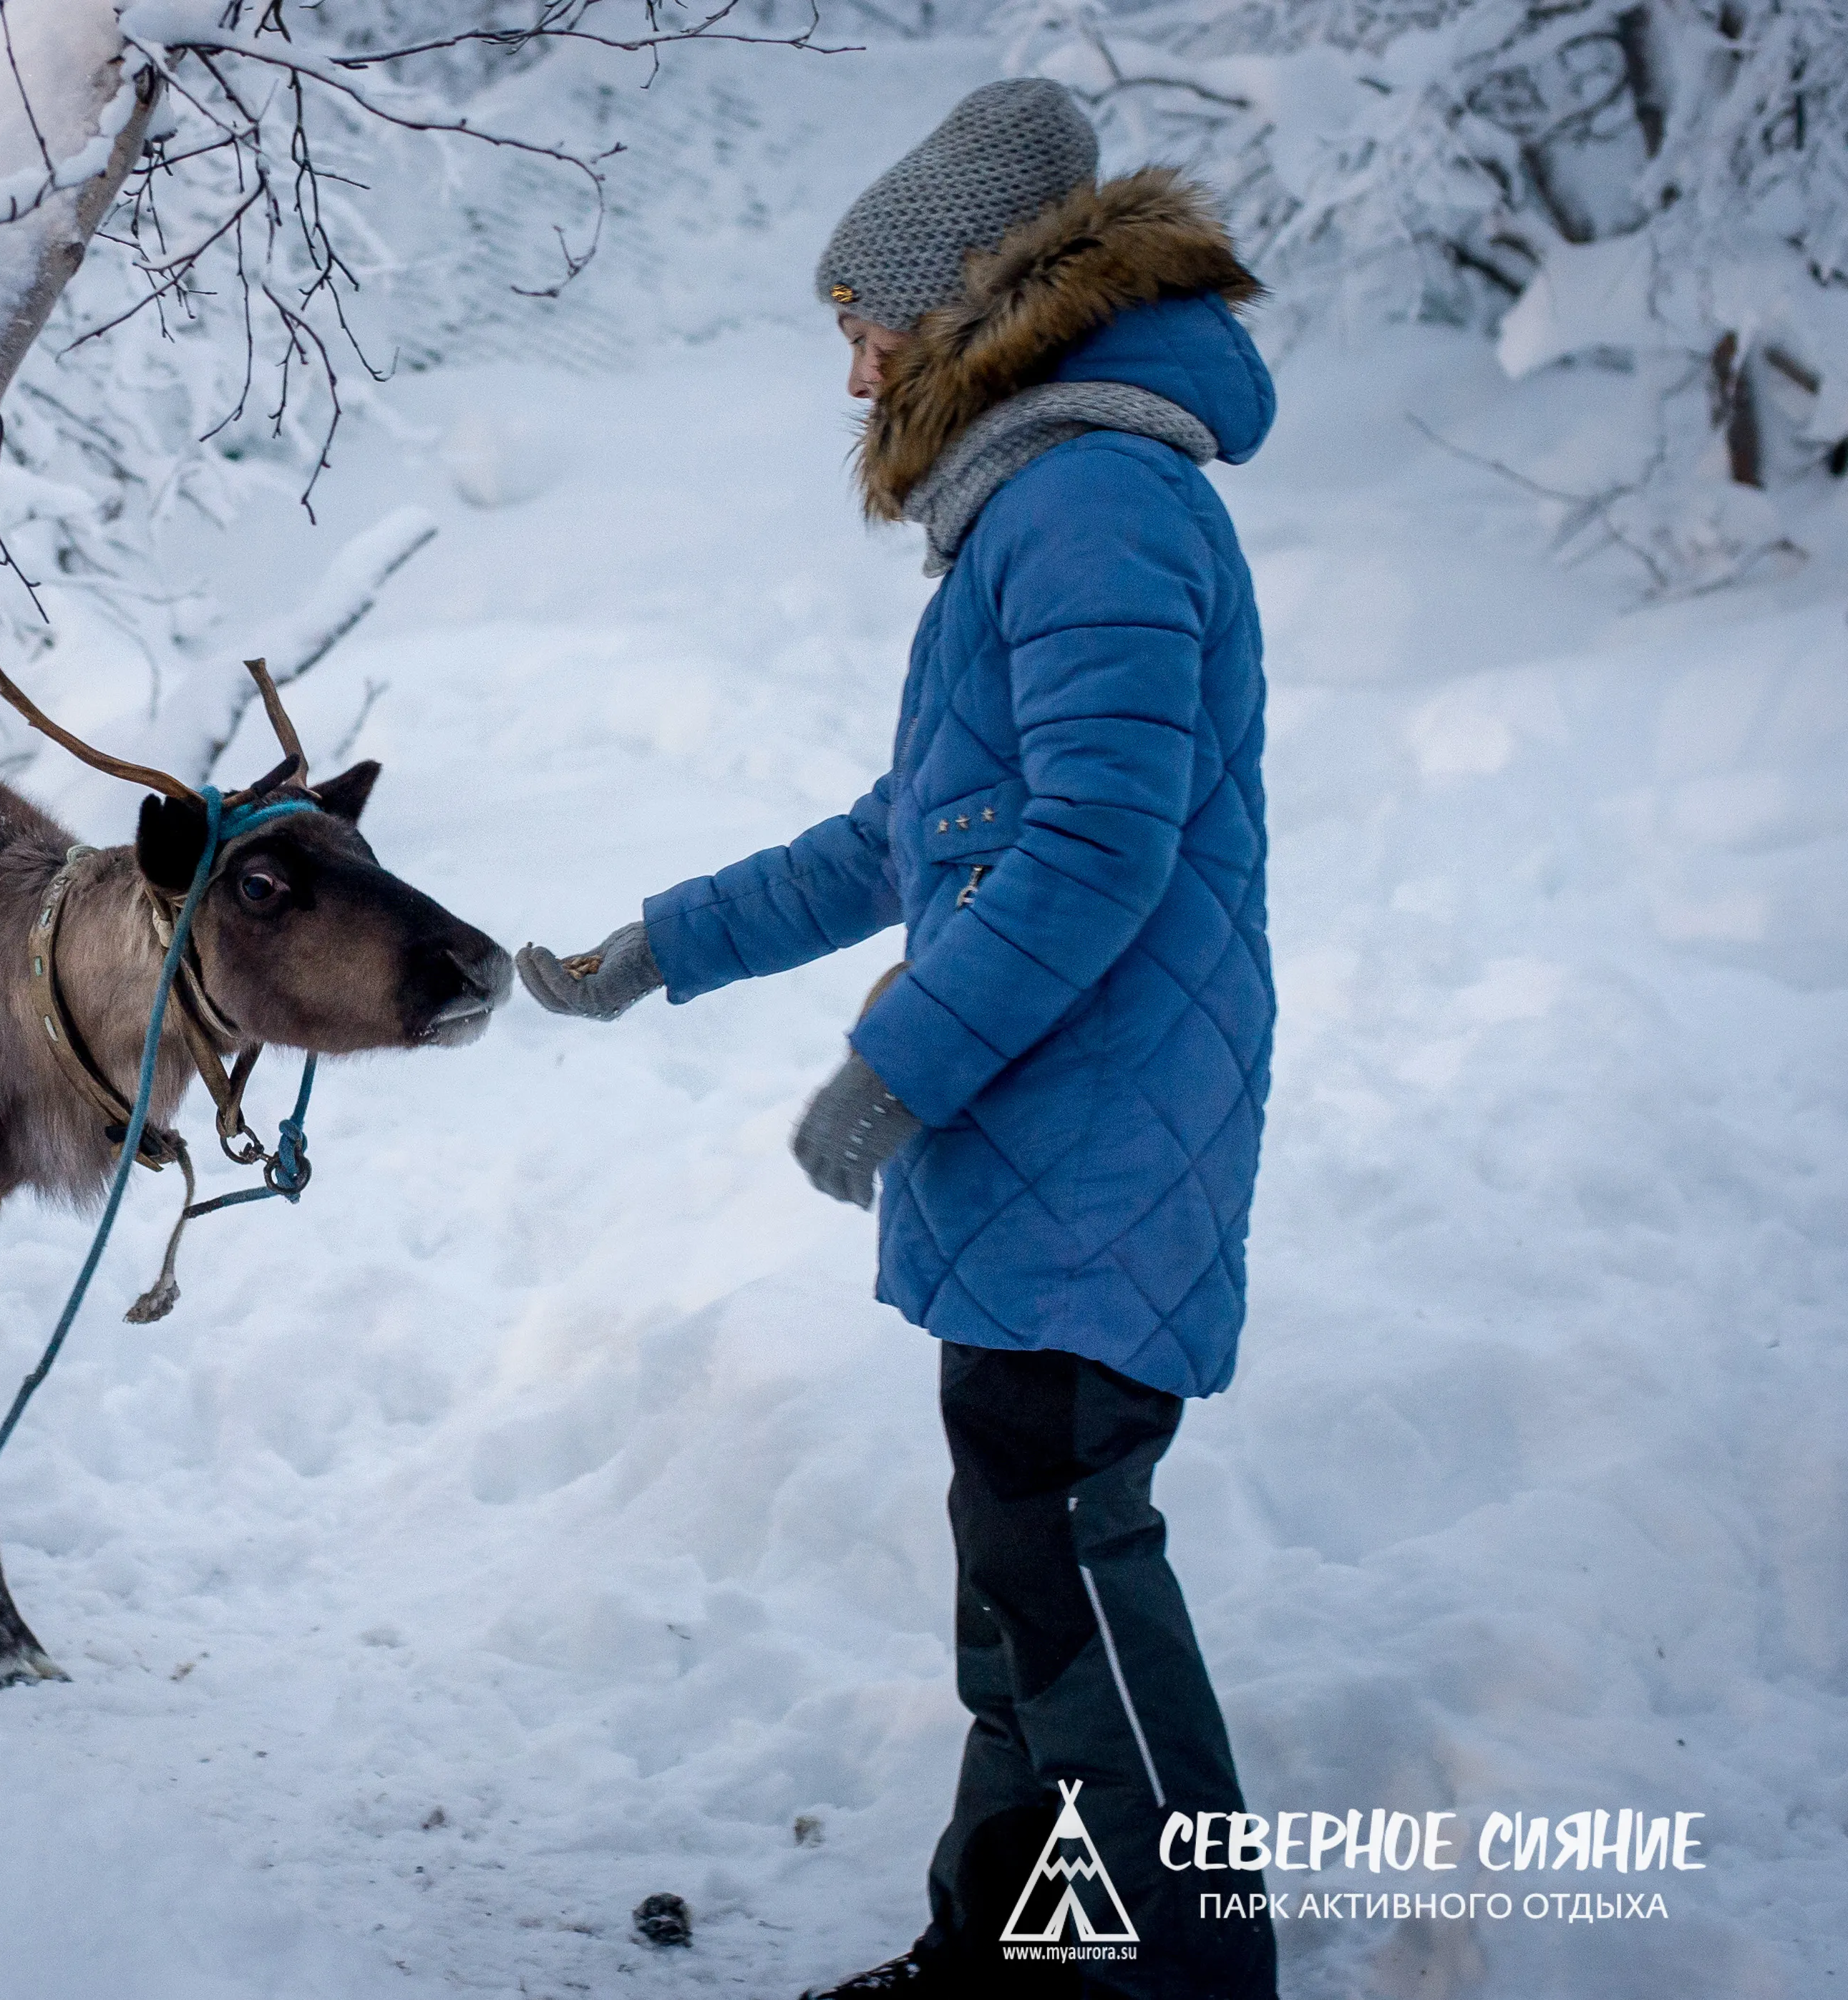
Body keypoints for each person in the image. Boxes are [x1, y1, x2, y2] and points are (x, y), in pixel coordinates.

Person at [518, 79, 1280, 1999]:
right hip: (1051, 1144)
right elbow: (907, 832)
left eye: (865, 327)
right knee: (1026, 1588)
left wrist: (898, 1069)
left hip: (1088, 1135)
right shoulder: (1040, 505)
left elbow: (1099, 853)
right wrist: (658, 950)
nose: (855, 377)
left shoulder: (1097, 505)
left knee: (1074, 1579)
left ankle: (1179, 1978)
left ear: (964, 303)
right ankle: (1006, 1956)